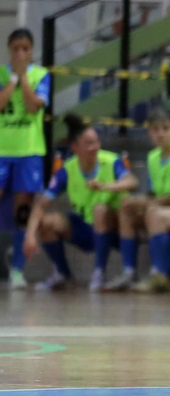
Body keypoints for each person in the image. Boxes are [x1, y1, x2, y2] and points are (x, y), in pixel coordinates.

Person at [21, 115, 138, 292]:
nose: (95, 147)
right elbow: (41, 204)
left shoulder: (112, 161)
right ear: (75, 147)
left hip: (112, 228)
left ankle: (99, 272)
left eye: (96, 142)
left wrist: (106, 186)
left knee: (100, 210)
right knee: (47, 222)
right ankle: (62, 274)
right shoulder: (67, 170)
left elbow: (132, 182)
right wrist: (29, 235)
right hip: (85, 228)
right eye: (89, 143)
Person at [2, 29, 50, 289]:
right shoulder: (0, 74)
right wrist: (12, 78)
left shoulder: (41, 75)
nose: (21, 53)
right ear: (9, 49)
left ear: (32, 51)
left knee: (22, 212)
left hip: (29, 152)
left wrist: (24, 79)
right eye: (16, 48)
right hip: (1, 150)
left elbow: (33, 106)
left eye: (26, 48)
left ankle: (17, 270)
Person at [129, 107, 170, 293]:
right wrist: (139, 202)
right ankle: (128, 271)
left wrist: (149, 205)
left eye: (166, 128)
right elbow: (152, 192)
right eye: (155, 129)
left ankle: (160, 273)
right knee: (126, 209)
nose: (160, 134)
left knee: (153, 213)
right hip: (165, 210)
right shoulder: (153, 157)